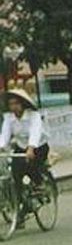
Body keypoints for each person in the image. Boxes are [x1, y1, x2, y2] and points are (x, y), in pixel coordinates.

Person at [1, 88, 49, 226]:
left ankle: (40, 184)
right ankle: (19, 210)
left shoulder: (33, 116)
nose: (14, 106)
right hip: (21, 147)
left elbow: (36, 132)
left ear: (23, 104)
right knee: (15, 176)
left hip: (39, 147)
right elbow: (4, 135)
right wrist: (1, 146)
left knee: (30, 166)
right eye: (11, 104)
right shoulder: (9, 118)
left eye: (16, 103)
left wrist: (31, 147)